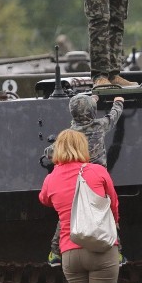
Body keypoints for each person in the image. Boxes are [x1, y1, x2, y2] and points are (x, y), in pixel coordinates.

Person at [39, 129, 120, 283]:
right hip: (101, 248)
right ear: (83, 147)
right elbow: (113, 203)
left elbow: (44, 199)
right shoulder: (97, 171)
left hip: (70, 253)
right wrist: (115, 223)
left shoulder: (51, 179)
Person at [44, 92, 125, 265]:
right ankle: (117, 252)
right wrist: (118, 102)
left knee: (67, 217)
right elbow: (114, 116)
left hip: (75, 179)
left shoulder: (71, 133)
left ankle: (55, 252)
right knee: (108, 215)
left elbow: (51, 152)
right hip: (97, 180)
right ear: (93, 113)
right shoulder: (100, 125)